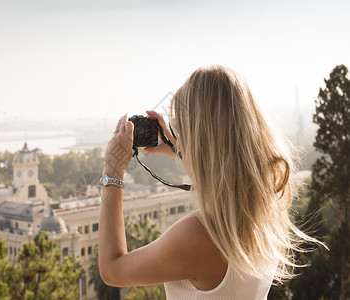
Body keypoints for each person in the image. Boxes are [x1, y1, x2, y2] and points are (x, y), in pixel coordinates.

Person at [98, 65, 323, 299]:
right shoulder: (267, 207)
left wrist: (112, 173)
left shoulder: (198, 234)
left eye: (182, 128)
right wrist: (180, 147)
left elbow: (112, 270)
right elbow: (227, 172)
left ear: (201, 140)